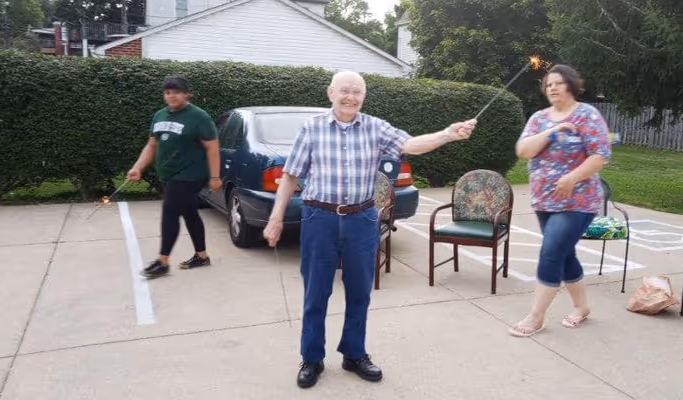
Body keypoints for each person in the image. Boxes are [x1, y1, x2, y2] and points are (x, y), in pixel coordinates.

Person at [263, 71, 477, 389]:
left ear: (364, 96)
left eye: (357, 92)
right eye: (345, 90)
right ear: (330, 93)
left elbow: (410, 144)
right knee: (315, 292)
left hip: (362, 219)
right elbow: (291, 176)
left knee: (361, 291)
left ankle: (354, 354)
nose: (351, 96)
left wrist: (447, 133)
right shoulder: (312, 128)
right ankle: (311, 358)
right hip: (318, 219)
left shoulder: (376, 127)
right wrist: (276, 217)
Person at [509, 64, 612, 337]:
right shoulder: (539, 118)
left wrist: (571, 179)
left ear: (571, 85)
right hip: (544, 201)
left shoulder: (588, 115)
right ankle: (582, 308)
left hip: (578, 201)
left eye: (558, 82)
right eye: (548, 84)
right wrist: (553, 132)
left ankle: (536, 317)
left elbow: (600, 156)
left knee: (551, 251)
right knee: (565, 254)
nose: (552, 87)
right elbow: (523, 150)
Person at [126, 75, 222, 279]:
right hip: (169, 173)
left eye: (177, 92)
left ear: (187, 94)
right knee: (189, 212)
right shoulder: (160, 115)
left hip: (191, 173)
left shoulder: (199, 117)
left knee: (170, 211)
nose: (171, 96)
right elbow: (152, 145)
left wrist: (215, 177)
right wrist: (138, 167)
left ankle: (163, 261)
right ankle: (202, 256)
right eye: (168, 92)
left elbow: (212, 148)